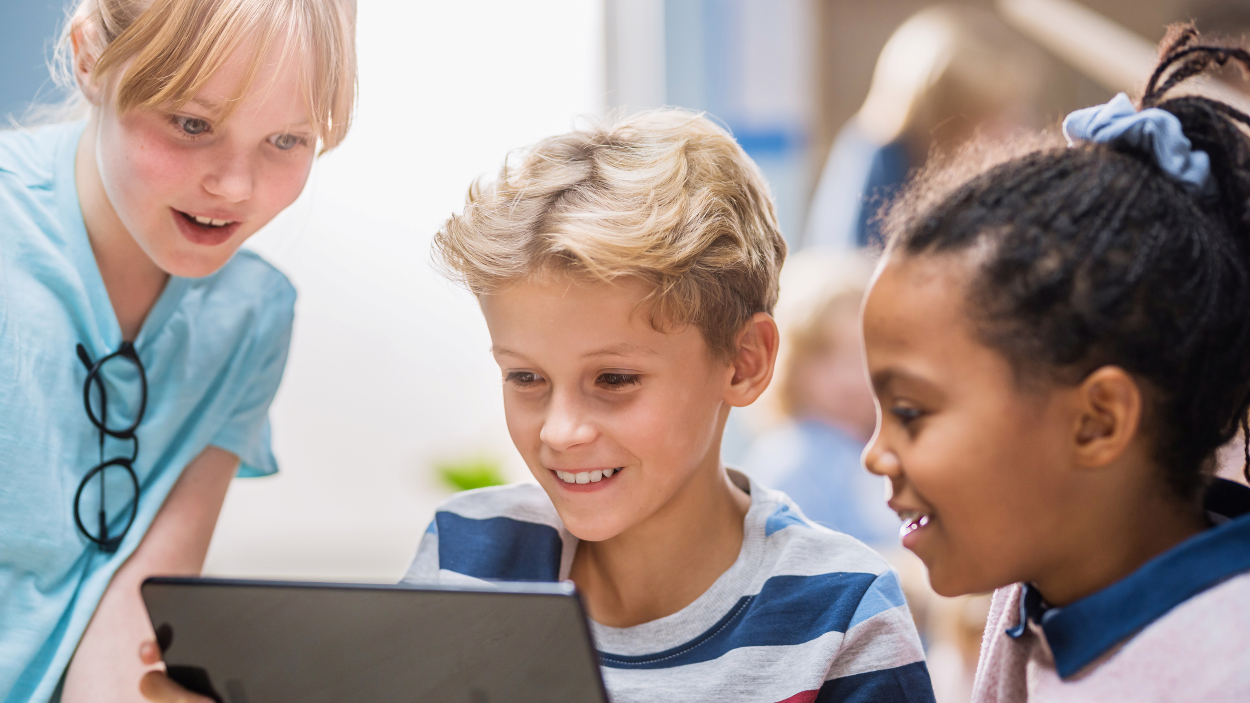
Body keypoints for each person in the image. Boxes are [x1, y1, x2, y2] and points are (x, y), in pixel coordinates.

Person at [860, 25, 1250, 701]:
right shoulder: (1036, 582)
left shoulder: (1224, 668)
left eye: (911, 412)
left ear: (1098, 421)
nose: (875, 455)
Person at [0, 0, 357, 701]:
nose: (235, 187)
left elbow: (129, 615)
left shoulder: (251, 317)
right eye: (192, 123)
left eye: (287, 140)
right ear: (89, 59)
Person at [804, 4, 1041, 250]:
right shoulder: (880, 156)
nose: (1009, 135)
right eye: (986, 121)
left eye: (1007, 117)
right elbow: (851, 260)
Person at [740, 250, 900, 546]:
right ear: (791, 364)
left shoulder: (878, 451)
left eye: (862, 357)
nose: (848, 378)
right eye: (825, 356)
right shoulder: (793, 458)